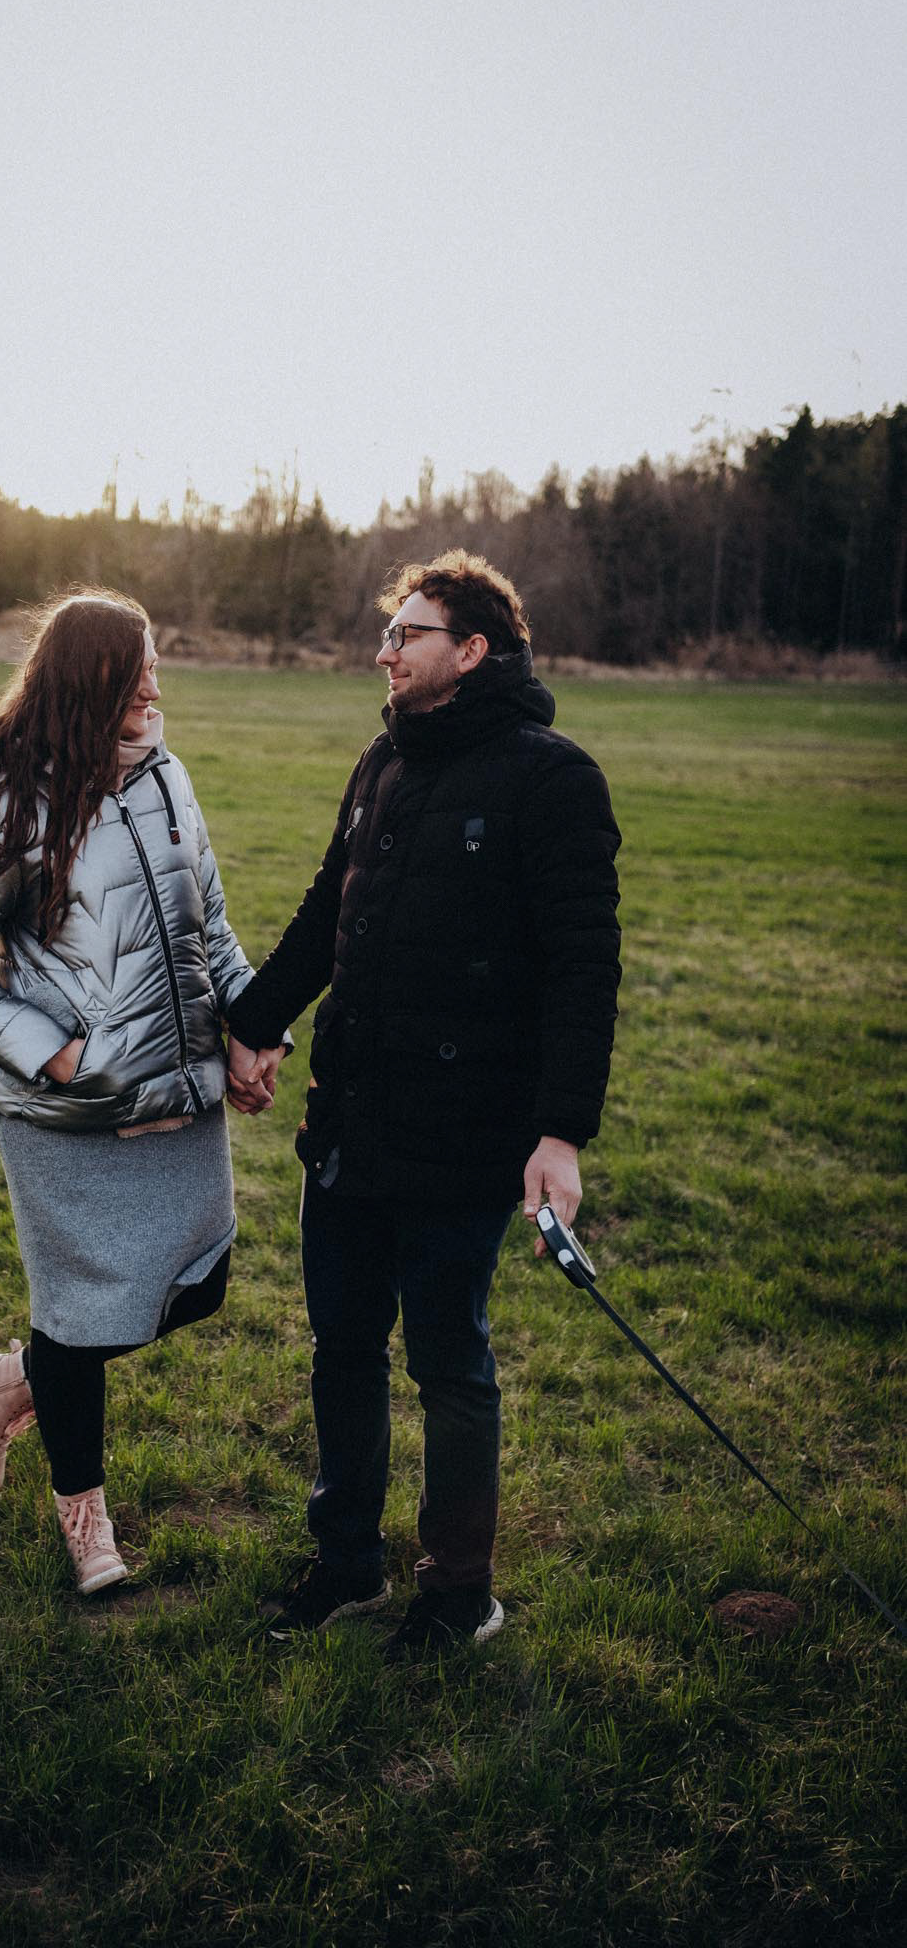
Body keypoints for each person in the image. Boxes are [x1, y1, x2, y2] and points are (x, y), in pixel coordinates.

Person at [226, 550, 622, 1655]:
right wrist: (254, 1020)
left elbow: (584, 967)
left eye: (407, 633)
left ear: (473, 649)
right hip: (349, 1118)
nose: (385, 651)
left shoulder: (553, 778)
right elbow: (327, 910)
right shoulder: (383, 760)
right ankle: (346, 1561)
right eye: (387, 632)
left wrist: (561, 1133)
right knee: (342, 1346)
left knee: (448, 1363)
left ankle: (457, 1591)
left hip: (465, 1132)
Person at [0, 588, 278, 1595]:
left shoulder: (166, 775)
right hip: (69, 1115)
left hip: (180, 1096)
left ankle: (8, 1381)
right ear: (86, 681)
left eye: (154, 662)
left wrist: (253, 1028)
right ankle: (87, 1525)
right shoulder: (7, 800)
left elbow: (211, 924)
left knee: (198, 1283)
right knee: (78, 1316)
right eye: (135, 668)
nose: (154, 684)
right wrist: (56, 1055)